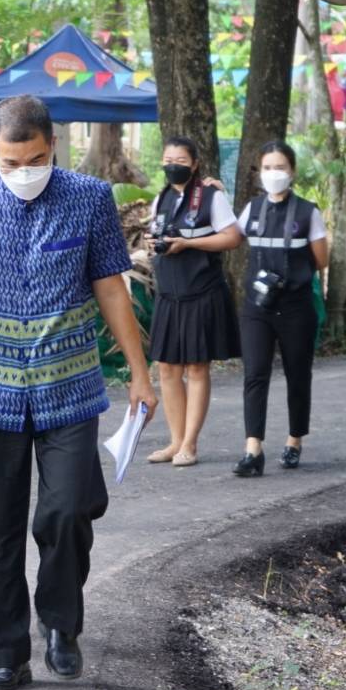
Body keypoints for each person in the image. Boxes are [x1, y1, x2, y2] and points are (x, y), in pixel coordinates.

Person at [0, 95, 156, 690]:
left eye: (32, 158)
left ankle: (60, 621)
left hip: (69, 385)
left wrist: (140, 371)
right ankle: (6, 652)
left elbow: (109, 287)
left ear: (53, 144)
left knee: (68, 508)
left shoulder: (88, 197)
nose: (21, 171)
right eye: (8, 162)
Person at [233, 141, 329, 477]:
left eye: (280, 168)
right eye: (268, 168)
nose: (274, 174)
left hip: (296, 306)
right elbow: (230, 237)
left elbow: (321, 260)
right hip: (257, 305)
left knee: (297, 374)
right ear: (259, 172)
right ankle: (252, 448)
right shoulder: (252, 209)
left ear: (292, 172)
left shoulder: (308, 212)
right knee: (255, 374)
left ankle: (294, 440)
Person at [146, 136, 242, 467]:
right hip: (169, 293)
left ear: (195, 164)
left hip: (201, 290)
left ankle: (190, 443)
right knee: (167, 368)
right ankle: (174, 441)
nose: (173, 165)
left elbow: (232, 237)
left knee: (197, 366)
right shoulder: (160, 199)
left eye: (181, 160)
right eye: (168, 159)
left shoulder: (211, 196)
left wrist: (188, 244)